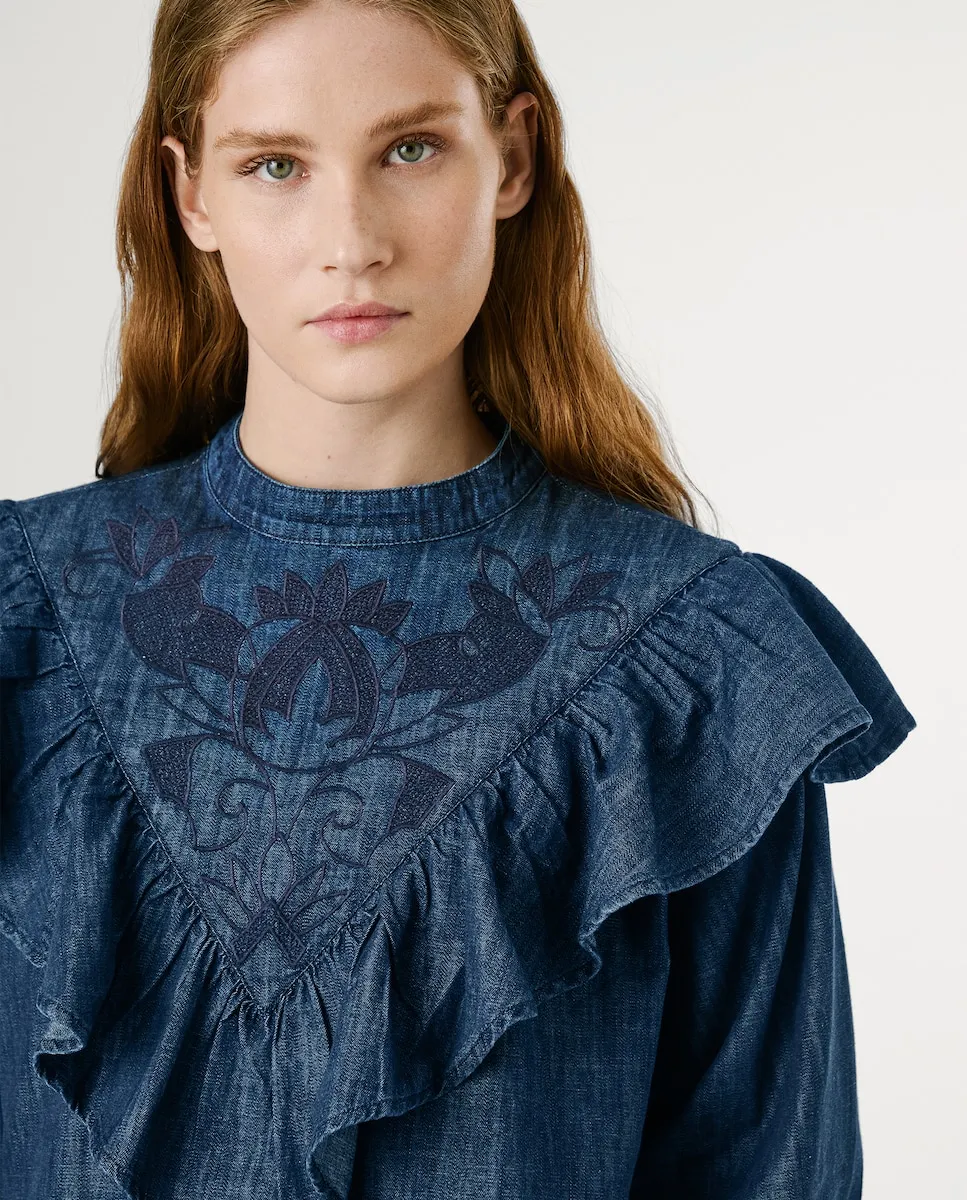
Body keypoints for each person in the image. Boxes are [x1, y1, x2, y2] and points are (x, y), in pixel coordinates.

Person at [0, 1, 916, 1198]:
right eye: (275, 165)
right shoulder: (27, 621)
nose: (351, 242)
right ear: (191, 196)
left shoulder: (689, 671)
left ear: (513, 158)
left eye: (409, 149)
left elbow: (773, 1169)